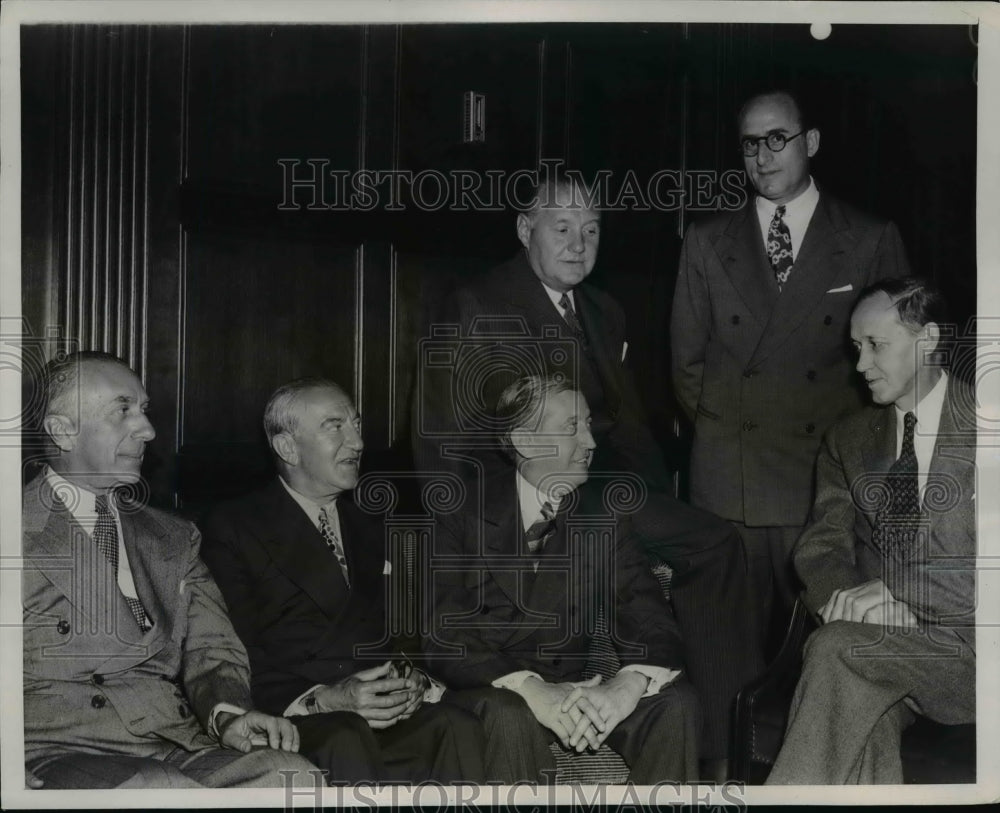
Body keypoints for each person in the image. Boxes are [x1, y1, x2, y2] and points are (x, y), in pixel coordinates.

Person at [415, 169, 761, 775]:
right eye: (563, 227)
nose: (580, 243)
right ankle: (716, 741)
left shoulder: (603, 309)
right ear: (526, 230)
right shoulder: (479, 302)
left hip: (603, 480)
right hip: (520, 480)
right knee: (706, 542)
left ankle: (722, 741)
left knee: (716, 540)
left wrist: (656, 497)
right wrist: (466, 522)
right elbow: (440, 431)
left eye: (593, 229)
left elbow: (626, 424)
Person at [671, 89, 912, 648]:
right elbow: (688, 369)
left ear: (812, 142)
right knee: (726, 657)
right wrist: (731, 433)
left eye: (777, 138)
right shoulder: (706, 242)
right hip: (732, 486)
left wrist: (848, 459)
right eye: (751, 143)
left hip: (829, 488)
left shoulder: (870, 237)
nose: (763, 154)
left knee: (826, 659)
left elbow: (899, 370)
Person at [22, 351, 317, 789]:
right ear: (62, 430)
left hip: (172, 742)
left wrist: (228, 714)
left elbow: (213, 649)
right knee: (155, 786)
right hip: (57, 749)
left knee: (291, 777)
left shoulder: (172, 535)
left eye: (143, 411)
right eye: (122, 410)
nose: (148, 430)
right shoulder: (16, 528)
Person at [200, 378, 485, 785]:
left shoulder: (371, 526)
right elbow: (232, 651)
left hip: (378, 710)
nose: (357, 442)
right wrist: (323, 699)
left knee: (457, 725)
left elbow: (403, 635)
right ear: (287, 447)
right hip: (298, 713)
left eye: (356, 424)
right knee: (344, 735)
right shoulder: (235, 526)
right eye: (335, 426)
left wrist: (411, 679)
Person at [426, 374, 701, 783]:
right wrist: (530, 689)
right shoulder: (461, 511)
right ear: (525, 442)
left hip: (575, 693)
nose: (590, 443)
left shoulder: (601, 516)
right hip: (492, 693)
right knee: (509, 714)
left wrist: (627, 683)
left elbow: (651, 618)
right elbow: (444, 637)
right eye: (571, 428)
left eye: (588, 424)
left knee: (677, 703)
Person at [766, 278, 975, 784]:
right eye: (857, 347)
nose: (860, 366)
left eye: (877, 346)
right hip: (878, 647)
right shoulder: (849, 439)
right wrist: (851, 601)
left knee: (838, 651)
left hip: (972, 653)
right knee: (855, 689)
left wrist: (897, 594)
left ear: (927, 341)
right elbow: (820, 549)